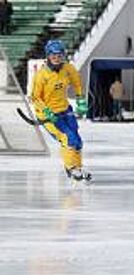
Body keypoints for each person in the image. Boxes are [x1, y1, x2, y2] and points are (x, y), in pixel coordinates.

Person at [31, 39, 90, 182]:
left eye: (59, 55)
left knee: (77, 140)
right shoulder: (41, 75)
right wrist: (46, 112)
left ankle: (78, 166)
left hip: (65, 110)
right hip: (49, 115)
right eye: (53, 55)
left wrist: (80, 99)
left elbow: (76, 82)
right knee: (67, 138)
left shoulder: (67, 68)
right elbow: (34, 97)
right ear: (48, 56)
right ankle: (70, 168)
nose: (56, 59)